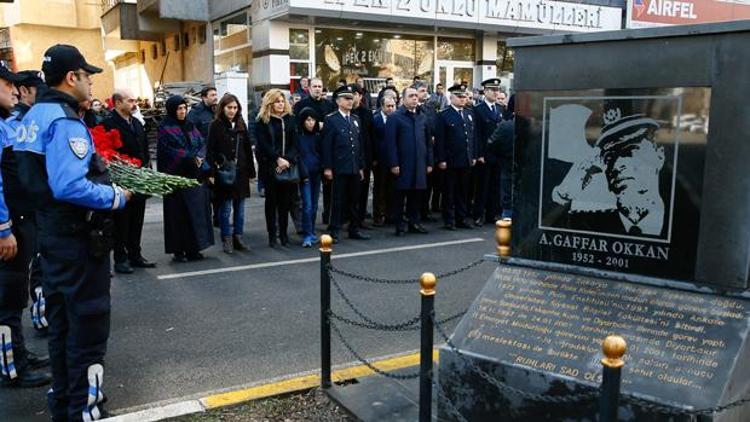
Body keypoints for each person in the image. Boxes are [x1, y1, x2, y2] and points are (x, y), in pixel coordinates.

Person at [14, 44, 133, 419]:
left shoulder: (33, 116)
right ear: (71, 78)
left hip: (51, 236)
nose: (91, 82)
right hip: (77, 240)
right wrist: (114, 196)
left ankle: (64, 404)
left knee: (63, 327)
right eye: (87, 75)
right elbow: (69, 186)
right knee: (89, 327)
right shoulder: (64, 121)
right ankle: (86, 409)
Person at [0, 62, 51, 389]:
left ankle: (18, 352)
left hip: (20, 219)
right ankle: (12, 368)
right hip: (9, 225)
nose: (15, 91)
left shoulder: (5, 123)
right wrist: (3, 228)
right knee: (6, 300)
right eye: (7, 85)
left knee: (15, 295)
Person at [6, 70, 48, 336]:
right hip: (20, 210)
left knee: (40, 263)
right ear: (24, 91)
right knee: (25, 272)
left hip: (34, 206)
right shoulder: (15, 122)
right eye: (36, 89)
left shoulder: (33, 118)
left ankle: (41, 314)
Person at [103, 88, 156, 273]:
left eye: (134, 100)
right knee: (121, 221)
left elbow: (143, 148)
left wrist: (147, 168)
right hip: (122, 179)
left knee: (137, 219)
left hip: (139, 177)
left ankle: (135, 253)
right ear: (118, 103)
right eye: (130, 100)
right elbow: (107, 152)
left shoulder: (136, 123)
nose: (134, 104)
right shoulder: (109, 124)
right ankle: (121, 258)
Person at [157, 95, 214, 262]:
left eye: (184, 108)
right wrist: (190, 158)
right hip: (176, 178)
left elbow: (201, 143)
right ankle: (179, 250)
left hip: (193, 176)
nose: (182, 112)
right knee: (178, 216)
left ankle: (194, 248)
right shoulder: (165, 127)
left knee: (196, 214)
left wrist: (199, 156)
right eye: (179, 109)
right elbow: (168, 151)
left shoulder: (189, 125)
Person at [207, 93, 256, 254]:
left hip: (241, 171)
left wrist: (251, 171)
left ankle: (238, 237)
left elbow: (247, 149)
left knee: (240, 207)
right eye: (229, 107)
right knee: (226, 208)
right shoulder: (216, 125)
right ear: (223, 108)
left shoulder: (241, 124)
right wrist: (212, 173)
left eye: (235, 107)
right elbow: (210, 150)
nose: (232, 111)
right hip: (225, 172)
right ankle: (226, 238)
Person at [322, 85, 369, 243]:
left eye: (351, 98)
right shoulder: (331, 119)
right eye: (346, 99)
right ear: (338, 101)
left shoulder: (355, 119)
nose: (350, 101)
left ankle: (353, 228)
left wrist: (361, 166)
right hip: (339, 166)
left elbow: (359, 144)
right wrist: (328, 167)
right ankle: (334, 229)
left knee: (354, 199)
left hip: (354, 166)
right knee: (338, 200)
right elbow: (327, 145)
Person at [254, 89, 300, 247]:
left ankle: (284, 234)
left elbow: (295, 143)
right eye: (277, 101)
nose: (280, 104)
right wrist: (277, 159)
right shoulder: (262, 120)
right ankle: (272, 235)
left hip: (287, 166)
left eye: (282, 101)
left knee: (285, 203)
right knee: (271, 202)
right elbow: (262, 145)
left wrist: (286, 160)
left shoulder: (291, 119)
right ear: (270, 103)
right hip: (269, 166)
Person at [384, 87, 433, 236]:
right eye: (411, 96)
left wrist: (429, 162)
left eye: (416, 96)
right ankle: (399, 225)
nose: (414, 98)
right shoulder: (395, 117)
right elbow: (390, 143)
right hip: (402, 164)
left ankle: (414, 223)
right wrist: (393, 164)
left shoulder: (422, 116)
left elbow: (428, 142)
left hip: (419, 163)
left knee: (416, 195)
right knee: (400, 195)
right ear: (403, 99)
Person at [435, 83, 477, 230]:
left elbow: (472, 137)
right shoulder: (444, 115)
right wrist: (441, 159)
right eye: (459, 97)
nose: (463, 99)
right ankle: (449, 219)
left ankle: (462, 218)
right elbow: (440, 140)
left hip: (465, 159)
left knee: (463, 191)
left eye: (464, 96)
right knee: (449, 192)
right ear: (451, 97)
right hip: (450, 160)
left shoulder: (469, 113)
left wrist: (473, 155)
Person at [293, 78, 335, 224]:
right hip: (307, 151)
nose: (317, 89)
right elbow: (296, 127)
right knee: (305, 195)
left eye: (320, 86)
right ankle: (304, 224)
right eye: (315, 86)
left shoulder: (329, 105)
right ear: (309, 88)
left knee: (328, 190)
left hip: (325, 152)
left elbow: (332, 127)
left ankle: (327, 218)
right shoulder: (300, 105)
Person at [471, 78, 504, 226]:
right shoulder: (477, 110)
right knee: (482, 186)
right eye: (493, 90)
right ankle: (479, 214)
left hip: (498, 154)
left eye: (498, 90)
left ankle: (492, 214)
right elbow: (476, 134)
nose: (496, 92)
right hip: (485, 154)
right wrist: (479, 154)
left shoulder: (500, 109)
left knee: (495, 186)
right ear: (485, 91)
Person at [296, 107, 323, 247]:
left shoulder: (318, 136)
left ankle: (311, 231)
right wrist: (303, 173)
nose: (311, 123)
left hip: (316, 173)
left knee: (314, 206)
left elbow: (321, 153)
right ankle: (307, 234)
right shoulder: (298, 136)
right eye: (308, 120)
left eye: (313, 120)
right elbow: (298, 156)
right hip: (304, 175)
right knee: (306, 205)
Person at [349, 84, 375, 228]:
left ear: (360, 96)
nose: (351, 97)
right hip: (350, 158)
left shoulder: (366, 113)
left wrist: (372, 158)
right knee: (349, 190)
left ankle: (360, 218)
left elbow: (371, 137)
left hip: (365, 157)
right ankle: (348, 218)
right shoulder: (345, 112)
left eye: (354, 94)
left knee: (363, 189)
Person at [372, 95, 397, 226]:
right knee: (379, 189)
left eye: (393, 106)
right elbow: (373, 141)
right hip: (380, 161)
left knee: (392, 189)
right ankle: (378, 215)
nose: (391, 109)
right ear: (382, 106)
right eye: (388, 106)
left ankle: (390, 214)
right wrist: (374, 158)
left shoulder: (398, 119)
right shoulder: (375, 120)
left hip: (394, 161)